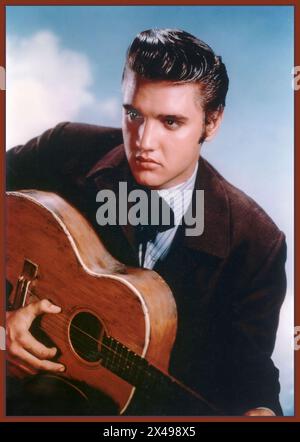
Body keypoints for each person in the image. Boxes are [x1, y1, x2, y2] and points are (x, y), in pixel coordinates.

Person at [6, 28, 287, 416]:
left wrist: (262, 408)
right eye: (133, 114)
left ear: (213, 122)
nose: (143, 142)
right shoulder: (64, 151)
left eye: (171, 122)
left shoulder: (256, 242)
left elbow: (249, 371)